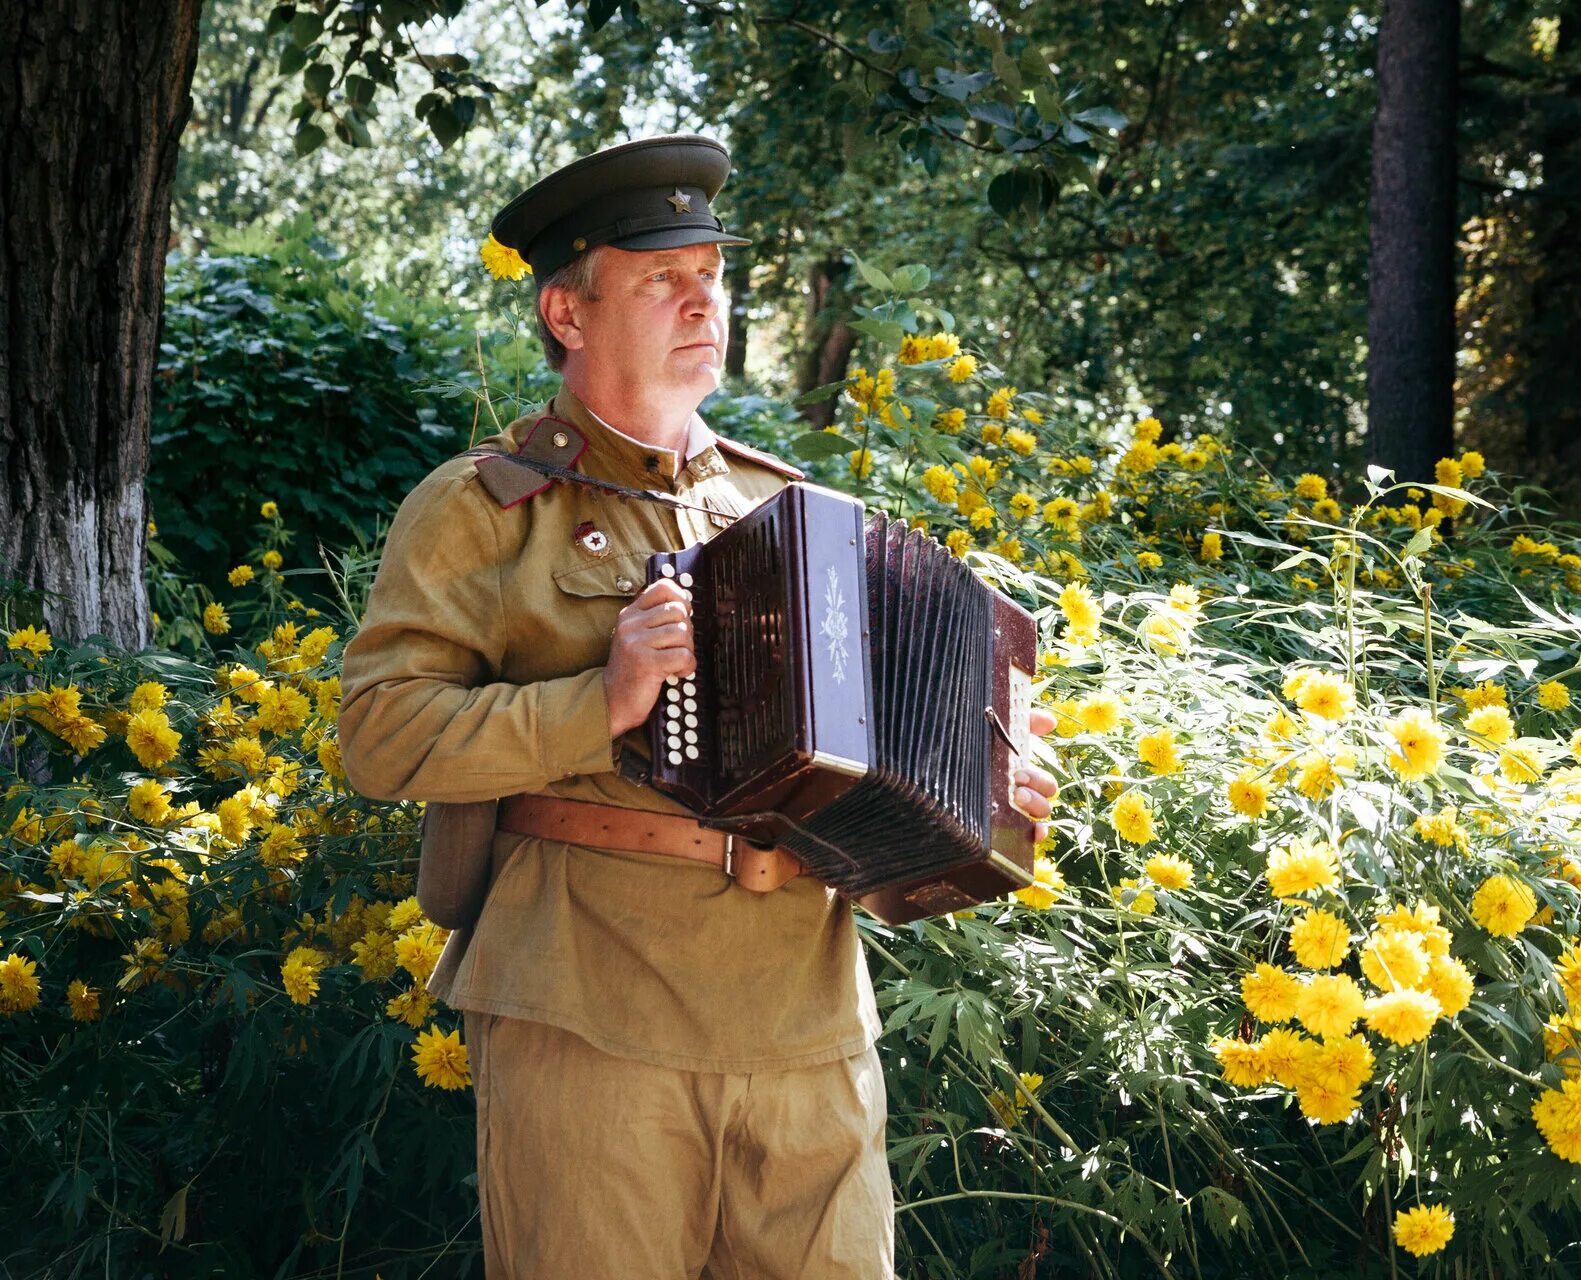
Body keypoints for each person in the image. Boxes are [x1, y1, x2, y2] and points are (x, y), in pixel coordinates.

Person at [335, 134, 1061, 1279]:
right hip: (592, 1013)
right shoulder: (485, 509)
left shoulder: (796, 512)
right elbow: (378, 735)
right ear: (567, 312)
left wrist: (987, 787)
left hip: (808, 1023)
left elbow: (876, 751)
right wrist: (602, 699)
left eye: (711, 276)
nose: (701, 301)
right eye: (661, 278)